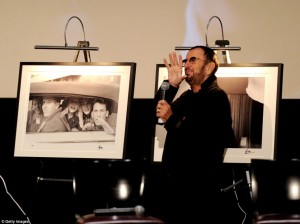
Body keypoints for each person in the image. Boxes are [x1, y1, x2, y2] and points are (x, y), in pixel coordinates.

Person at [154, 46, 236, 223]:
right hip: (176, 191)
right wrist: (172, 85)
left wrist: (172, 119)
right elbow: (155, 113)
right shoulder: (187, 97)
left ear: (209, 67)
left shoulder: (216, 97)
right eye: (186, 60)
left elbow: (204, 142)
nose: (187, 65)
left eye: (193, 60)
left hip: (198, 195)